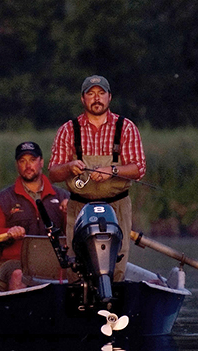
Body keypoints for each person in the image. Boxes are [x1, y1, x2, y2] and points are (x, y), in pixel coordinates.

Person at [48, 75, 146, 281]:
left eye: (101, 93)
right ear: (82, 99)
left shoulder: (126, 127)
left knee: (116, 266)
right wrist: (69, 167)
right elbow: (54, 174)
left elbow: (139, 169)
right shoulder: (68, 130)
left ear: (109, 97)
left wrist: (112, 171)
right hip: (79, 207)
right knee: (76, 267)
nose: (96, 98)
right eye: (91, 94)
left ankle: (113, 297)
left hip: (117, 207)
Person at [0, 141, 67, 291]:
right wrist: (8, 232)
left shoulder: (63, 196)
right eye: (22, 161)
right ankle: (18, 306)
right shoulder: (1, 200)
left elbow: (78, 231)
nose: (28, 165)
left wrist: (69, 213)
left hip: (54, 261)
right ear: (17, 165)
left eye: (32, 160)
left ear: (41, 162)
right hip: (14, 261)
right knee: (18, 275)